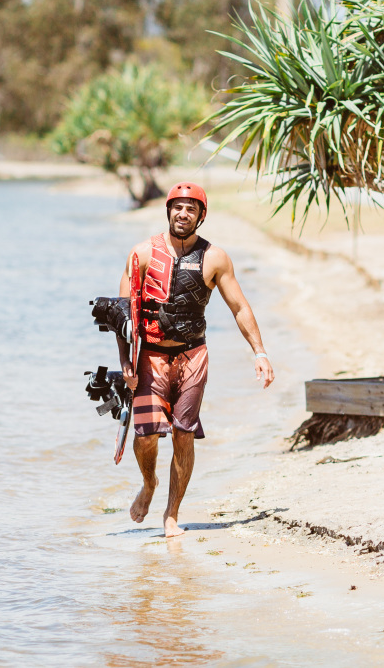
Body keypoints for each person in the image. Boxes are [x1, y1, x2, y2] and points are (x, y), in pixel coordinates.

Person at [116, 182, 274, 537]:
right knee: (146, 436)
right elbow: (123, 315)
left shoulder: (215, 258)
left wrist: (260, 352)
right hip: (151, 356)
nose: (183, 214)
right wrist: (125, 361)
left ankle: (171, 514)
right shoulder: (141, 254)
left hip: (193, 355)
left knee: (183, 434)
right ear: (168, 210)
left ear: (201, 216)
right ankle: (149, 482)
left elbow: (239, 307)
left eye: (191, 209)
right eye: (177, 207)